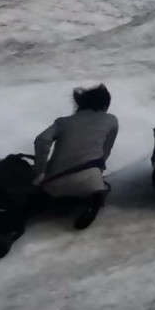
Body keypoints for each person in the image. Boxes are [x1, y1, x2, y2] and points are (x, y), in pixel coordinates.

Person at [32, 84, 118, 229]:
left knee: (46, 192)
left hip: (54, 183)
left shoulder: (63, 122)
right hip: (90, 180)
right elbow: (105, 152)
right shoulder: (111, 120)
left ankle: (56, 201)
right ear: (105, 104)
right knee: (99, 186)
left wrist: (40, 172)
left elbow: (42, 140)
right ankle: (94, 199)